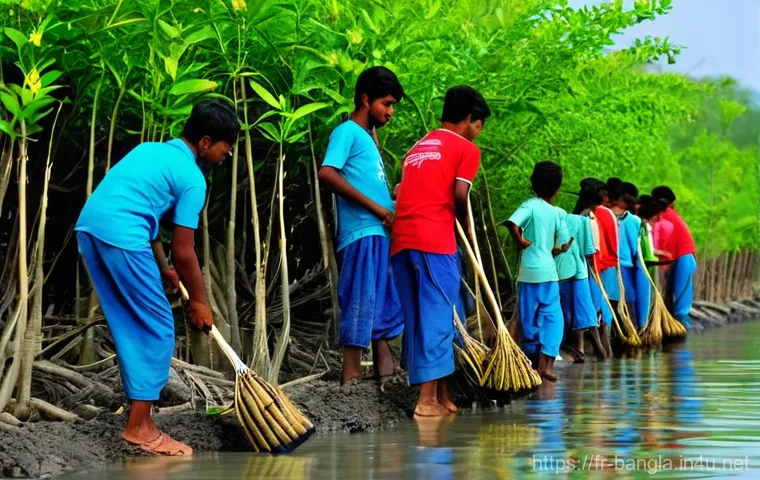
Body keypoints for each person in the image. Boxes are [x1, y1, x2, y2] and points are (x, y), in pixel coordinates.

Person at [75, 101, 239, 456]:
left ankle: (138, 417)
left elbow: (150, 224)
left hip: (91, 228)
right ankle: (140, 428)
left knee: (131, 323)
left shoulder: (151, 150)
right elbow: (185, 249)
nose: (228, 153)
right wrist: (199, 301)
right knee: (159, 326)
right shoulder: (194, 179)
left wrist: (163, 268)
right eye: (227, 145)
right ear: (207, 142)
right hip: (121, 233)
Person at [391, 85, 491, 417]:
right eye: (480, 126)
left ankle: (442, 394)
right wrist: (468, 235)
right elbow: (461, 195)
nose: (478, 134)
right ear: (469, 119)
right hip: (435, 239)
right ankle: (425, 400)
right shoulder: (465, 149)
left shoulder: (418, 147)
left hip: (403, 240)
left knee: (423, 316)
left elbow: (402, 189)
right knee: (439, 315)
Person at [317, 66, 406, 387]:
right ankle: (351, 375)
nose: (390, 111)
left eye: (393, 104)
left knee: (381, 298)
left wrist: (393, 198)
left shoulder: (367, 139)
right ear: (366, 99)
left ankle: (385, 371)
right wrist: (379, 209)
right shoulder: (348, 132)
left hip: (379, 232)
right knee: (360, 297)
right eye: (386, 103)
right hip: (362, 232)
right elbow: (327, 173)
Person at [506, 161, 571, 382]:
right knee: (553, 317)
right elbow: (560, 245)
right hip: (549, 273)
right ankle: (547, 364)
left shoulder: (530, 206)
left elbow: (512, 223)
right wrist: (560, 248)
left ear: (533, 184)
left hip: (528, 273)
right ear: (557, 189)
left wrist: (521, 240)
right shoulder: (556, 213)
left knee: (528, 317)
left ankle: (531, 363)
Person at [554, 207, 598, 362]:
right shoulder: (582, 221)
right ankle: (578, 349)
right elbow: (590, 251)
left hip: (559, 272)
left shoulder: (558, 221)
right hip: (578, 272)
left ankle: (567, 348)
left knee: (564, 311)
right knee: (580, 311)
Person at [573, 179, 610, 358]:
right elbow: (591, 249)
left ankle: (582, 348)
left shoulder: (579, 215)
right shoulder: (588, 217)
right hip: (587, 268)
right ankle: (597, 349)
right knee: (588, 309)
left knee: (584, 308)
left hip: (581, 268)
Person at [652, 186, 697, 328]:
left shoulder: (664, 215)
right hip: (684, 258)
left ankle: (681, 327)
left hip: (683, 258)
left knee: (681, 305)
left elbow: (667, 243)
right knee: (680, 298)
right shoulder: (668, 214)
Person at [608, 178, 644, 328]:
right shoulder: (634, 220)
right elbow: (635, 249)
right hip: (625, 268)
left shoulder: (601, 215)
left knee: (610, 304)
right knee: (628, 307)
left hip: (607, 268)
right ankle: (631, 334)